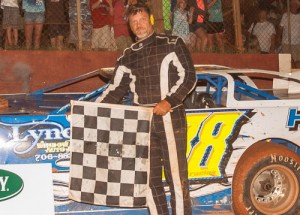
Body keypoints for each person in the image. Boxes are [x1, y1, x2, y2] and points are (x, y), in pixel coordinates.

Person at [96, 3, 196, 214]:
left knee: (176, 176)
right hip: (142, 122)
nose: (138, 25)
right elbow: (113, 91)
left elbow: (189, 75)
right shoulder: (127, 56)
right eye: (134, 22)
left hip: (170, 116)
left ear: (150, 20)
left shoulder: (172, 43)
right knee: (149, 179)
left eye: (142, 19)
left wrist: (169, 101)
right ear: (130, 27)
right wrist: (86, 110)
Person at [278, 0, 300, 67]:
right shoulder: (286, 15)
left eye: (295, 5)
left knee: (298, 62)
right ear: (290, 6)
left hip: (297, 43)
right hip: (286, 42)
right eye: (292, 4)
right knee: (287, 62)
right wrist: (279, 38)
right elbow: (280, 27)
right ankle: (287, 76)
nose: (294, 6)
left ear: (298, 6)